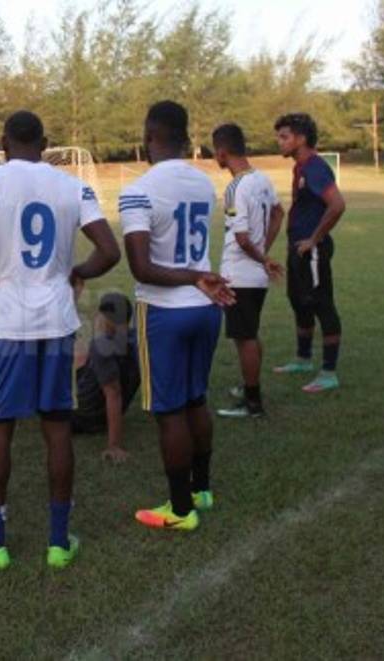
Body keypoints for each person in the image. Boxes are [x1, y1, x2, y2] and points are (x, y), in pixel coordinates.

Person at [0, 110, 120, 570]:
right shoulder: (72, 185)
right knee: (56, 428)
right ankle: (58, 542)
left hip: (7, 323)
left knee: (0, 428)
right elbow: (109, 250)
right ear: (44, 143)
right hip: (55, 320)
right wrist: (77, 272)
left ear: (3, 143)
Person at [122, 101, 234, 532]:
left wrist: (192, 277)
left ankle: (181, 509)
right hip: (205, 308)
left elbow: (142, 268)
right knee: (195, 400)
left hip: (165, 310)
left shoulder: (139, 189)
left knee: (170, 411)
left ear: (149, 136)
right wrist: (198, 277)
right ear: (185, 137)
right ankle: (201, 488)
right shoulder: (203, 182)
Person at [212, 123, 284, 418]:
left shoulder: (235, 187)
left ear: (222, 152)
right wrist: (264, 254)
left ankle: (253, 403)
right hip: (255, 274)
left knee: (245, 338)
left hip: (240, 274)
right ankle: (249, 387)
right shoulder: (262, 179)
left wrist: (261, 256)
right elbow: (279, 212)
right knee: (250, 333)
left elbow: (241, 239)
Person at [272, 113, 346, 393]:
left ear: (301, 139)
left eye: (284, 137)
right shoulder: (300, 167)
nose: (279, 142)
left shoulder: (315, 167)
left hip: (312, 249)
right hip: (298, 248)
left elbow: (337, 205)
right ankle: (303, 359)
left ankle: (329, 372)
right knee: (298, 301)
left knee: (321, 304)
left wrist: (314, 239)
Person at [70, 292, 140, 464]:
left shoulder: (101, 346)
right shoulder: (139, 339)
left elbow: (113, 393)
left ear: (104, 317)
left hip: (84, 418)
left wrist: (114, 445)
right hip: (104, 411)